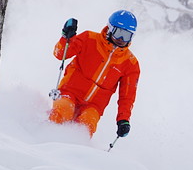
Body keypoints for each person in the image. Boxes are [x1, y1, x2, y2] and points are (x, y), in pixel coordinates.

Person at [48, 10, 140, 138]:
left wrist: (123, 120)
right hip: (69, 92)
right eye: (119, 33)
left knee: (87, 125)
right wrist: (66, 37)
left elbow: (127, 96)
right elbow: (60, 54)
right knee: (63, 111)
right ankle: (46, 138)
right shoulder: (89, 39)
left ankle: (73, 152)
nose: (121, 39)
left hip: (94, 106)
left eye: (127, 36)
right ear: (110, 29)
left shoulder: (130, 64)